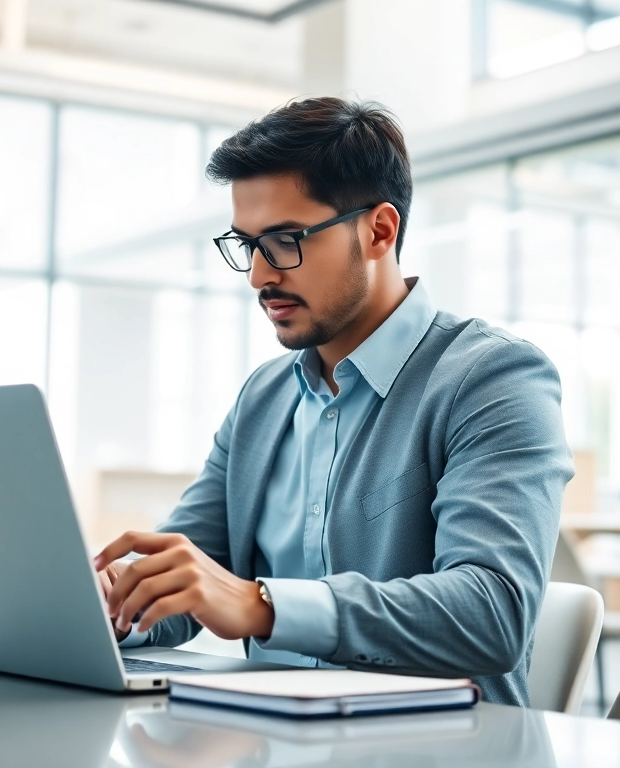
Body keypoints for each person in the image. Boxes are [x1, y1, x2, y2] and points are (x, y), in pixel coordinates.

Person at [92, 97, 573, 706]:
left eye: (286, 240)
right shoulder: (263, 399)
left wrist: (260, 604)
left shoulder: (494, 378)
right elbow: (185, 583)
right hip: (267, 739)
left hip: (434, 748)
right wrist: (105, 601)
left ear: (379, 231)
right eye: (248, 246)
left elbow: (491, 612)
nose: (259, 276)